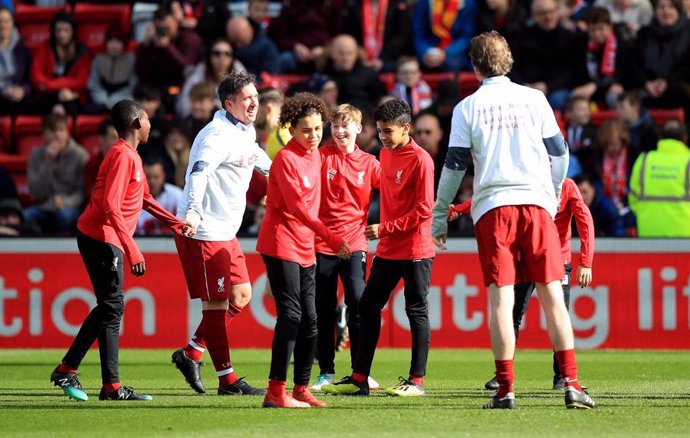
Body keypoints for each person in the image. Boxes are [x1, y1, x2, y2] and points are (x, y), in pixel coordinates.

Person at [430, 31, 596, 409]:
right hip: (536, 205)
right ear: (510, 61)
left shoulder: (466, 108)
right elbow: (561, 153)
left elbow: (454, 166)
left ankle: (506, 390)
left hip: (492, 208)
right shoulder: (535, 99)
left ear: (475, 67)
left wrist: (440, 215)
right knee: (554, 296)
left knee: (501, 302)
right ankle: (571, 384)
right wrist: (552, 190)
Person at [49, 100, 190, 402]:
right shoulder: (123, 156)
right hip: (103, 237)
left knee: (110, 306)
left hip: (104, 235)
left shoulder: (129, 156)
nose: (152, 124)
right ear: (137, 122)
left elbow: (143, 198)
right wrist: (132, 248)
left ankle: (92, 378)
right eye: (148, 119)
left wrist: (174, 223)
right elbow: (111, 205)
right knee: (112, 306)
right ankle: (81, 374)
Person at [323, 98, 435, 398]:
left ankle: (417, 381)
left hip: (415, 249)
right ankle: (360, 377)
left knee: (416, 311)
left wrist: (383, 228)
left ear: (406, 128)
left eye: (388, 131)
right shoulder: (384, 155)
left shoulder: (421, 159)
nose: (383, 137)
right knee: (367, 307)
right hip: (388, 249)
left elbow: (425, 210)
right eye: (380, 131)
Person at [171, 71, 270, 397]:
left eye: (256, 96)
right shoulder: (215, 135)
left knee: (240, 296)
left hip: (226, 231)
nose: (255, 102)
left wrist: (295, 178)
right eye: (247, 98)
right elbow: (199, 173)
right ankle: (227, 381)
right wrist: (194, 212)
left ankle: (191, 353)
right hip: (204, 230)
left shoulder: (244, 131)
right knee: (215, 305)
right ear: (229, 103)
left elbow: (261, 162)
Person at [449, 174, 595, 390]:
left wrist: (586, 262)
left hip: (556, 260)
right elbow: (495, 197)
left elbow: (585, 220)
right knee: (513, 314)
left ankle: (563, 376)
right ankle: (503, 375)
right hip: (526, 258)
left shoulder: (567, 186)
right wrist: (459, 209)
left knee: (557, 314)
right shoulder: (529, 181)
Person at [256, 92, 351, 408]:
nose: (313, 135)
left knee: (312, 319)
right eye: (305, 130)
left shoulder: (316, 156)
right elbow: (298, 208)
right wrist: (333, 239)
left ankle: (299, 388)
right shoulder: (286, 159)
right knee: (292, 315)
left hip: (306, 245)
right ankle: (275, 391)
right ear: (291, 130)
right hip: (281, 243)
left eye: (317, 129)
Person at [309, 104, 381, 392]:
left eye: (345, 125)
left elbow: (394, 194)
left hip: (354, 244)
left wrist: (387, 226)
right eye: (335, 126)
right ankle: (326, 371)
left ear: (358, 129)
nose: (339, 131)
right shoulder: (320, 157)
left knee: (358, 305)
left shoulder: (371, 163)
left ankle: (359, 373)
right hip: (322, 243)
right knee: (323, 309)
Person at [508, 0, 588, 111]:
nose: (548, 17)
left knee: (558, 100)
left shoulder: (570, 38)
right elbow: (511, 67)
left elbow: (571, 71)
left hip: (556, 89)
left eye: (551, 12)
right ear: (533, 16)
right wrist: (525, 85)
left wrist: (548, 86)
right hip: (525, 86)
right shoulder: (520, 37)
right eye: (542, 13)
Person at [24, 114, 89, 234]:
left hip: (70, 206)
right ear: (43, 134)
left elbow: (82, 192)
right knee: (24, 217)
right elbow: (35, 192)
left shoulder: (80, 155)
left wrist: (65, 202)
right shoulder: (36, 155)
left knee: (63, 216)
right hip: (44, 206)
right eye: (53, 131)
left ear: (67, 132)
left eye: (62, 130)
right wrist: (48, 162)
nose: (58, 135)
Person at [629, 119, 690, 237]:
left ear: (660, 138)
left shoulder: (644, 160)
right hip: (685, 239)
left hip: (648, 234)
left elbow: (633, 199)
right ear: (685, 138)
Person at [30, 10, 91, 115]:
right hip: (48, 95)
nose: (62, 34)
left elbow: (81, 81)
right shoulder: (44, 47)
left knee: (71, 104)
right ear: (53, 31)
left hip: (72, 95)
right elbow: (36, 78)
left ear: (73, 31)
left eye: (66, 30)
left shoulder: (82, 51)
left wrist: (52, 84)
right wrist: (57, 89)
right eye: (58, 30)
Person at [175, 37, 246, 118]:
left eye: (227, 53)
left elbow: (246, 98)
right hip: (204, 120)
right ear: (210, 57)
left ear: (232, 57)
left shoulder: (238, 69)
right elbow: (185, 101)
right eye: (217, 53)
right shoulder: (201, 70)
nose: (222, 57)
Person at [86, 27, 137, 113]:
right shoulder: (99, 59)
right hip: (101, 96)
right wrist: (102, 98)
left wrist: (116, 99)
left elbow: (133, 84)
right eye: (111, 42)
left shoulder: (131, 59)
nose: (114, 46)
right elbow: (93, 83)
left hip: (124, 96)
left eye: (118, 42)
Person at [136, 158, 183, 235]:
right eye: (148, 177)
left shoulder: (176, 195)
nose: (152, 181)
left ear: (163, 176)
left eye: (156, 177)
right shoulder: (135, 199)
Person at [0, 6, 31, 115]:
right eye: (0, 22)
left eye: (6, 21)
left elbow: (29, 79)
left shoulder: (21, 49)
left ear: (12, 23)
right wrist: (3, 91)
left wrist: (23, 91)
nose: (2, 26)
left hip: (18, 96)